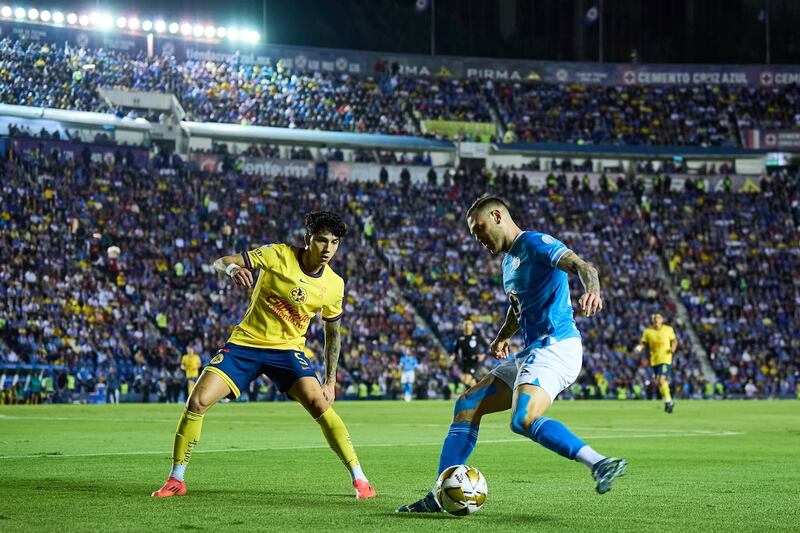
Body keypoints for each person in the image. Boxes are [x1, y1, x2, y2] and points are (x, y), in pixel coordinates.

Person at [396, 196, 626, 513]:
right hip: (532, 350)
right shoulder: (508, 263)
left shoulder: (535, 243)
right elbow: (519, 308)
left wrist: (593, 290)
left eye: (480, 229)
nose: (478, 239)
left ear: (496, 216)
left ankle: (599, 462)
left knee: (522, 419)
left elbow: (583, 266)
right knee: (467, 404)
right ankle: (440, 493)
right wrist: (503, 335)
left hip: (557, 345)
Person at [152, 211, 377, 500]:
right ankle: (176, 479)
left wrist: (330, 380)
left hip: (287, 351)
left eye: (334, 243)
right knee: (197, 400)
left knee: (320, 404)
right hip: (246, 343)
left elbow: (333, 333)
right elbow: (221, 262)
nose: (328, 249)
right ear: (308, 239)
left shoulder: (334, 285)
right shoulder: (277, 254)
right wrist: (233, 271)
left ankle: (360, 479)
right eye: (322, 241)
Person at [634, 313, 678, 413]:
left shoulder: (668, 329)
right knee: (659, 382)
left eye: (658, 318)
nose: (656, 320)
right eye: (654, 319)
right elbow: (643, 343)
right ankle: (669, 400)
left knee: (662, 380)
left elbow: (674, 340)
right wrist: (638, 348)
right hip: (654, 360)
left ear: (662, 320)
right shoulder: (648, 332)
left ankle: (668, 401)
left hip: (665, 359)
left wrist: (673, 348)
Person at [451, 320, 489, 388]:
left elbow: (486, 346)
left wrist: (483, 355)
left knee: (466, 380)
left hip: (474, 361)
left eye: (469, 325)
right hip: (464, 362)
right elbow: (456, 350)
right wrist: (453, 356)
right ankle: (479, 386)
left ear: (472, 327)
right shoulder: (460, 337)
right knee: (470, 382)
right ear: (463, 327)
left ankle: (479, 385)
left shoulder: (476, 336)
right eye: (466, 325)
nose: (467, 327)